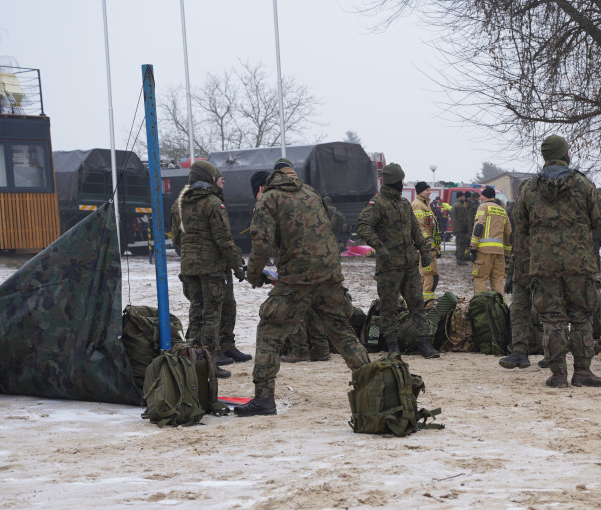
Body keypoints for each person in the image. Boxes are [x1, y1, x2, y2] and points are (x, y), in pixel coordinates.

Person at [235, 158, 370, 416]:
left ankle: (264, 399)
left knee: (269, 332)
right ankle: (374, 385)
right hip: (330, 276)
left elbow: (261, 245)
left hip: (296, 280)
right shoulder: (310, 192)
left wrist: (253, 275)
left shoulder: (269, 199)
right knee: (342, 333)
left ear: (262, 188)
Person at [511, 134, 601, 388]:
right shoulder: (582, 184)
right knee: (581, 317)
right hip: (579, 263)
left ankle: (558, 375)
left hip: (544, 265)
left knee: (552, 320)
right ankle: (582, 372)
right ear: (566, 155)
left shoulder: (529, 188)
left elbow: (519, 223)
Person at [169, 159, 245, 380]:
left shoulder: (179, 204)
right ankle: (209, 363)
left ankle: (189, 358)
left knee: (196, 312)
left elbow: (176, 238)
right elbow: (224, 240)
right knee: (212, 314)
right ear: (209, 179)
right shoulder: (212, 203)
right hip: (211, 267)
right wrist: (238, 267)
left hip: (189, 266)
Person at [356, 163, 440, 358]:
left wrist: (424, 251)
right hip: (389, 267)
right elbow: (363, 226)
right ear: (395, 181)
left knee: (417, 304)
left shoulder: (404, 203)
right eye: (401, 180)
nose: (403, 183)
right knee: (389, 307)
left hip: (410, 264)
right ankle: (393, 345)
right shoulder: (378, 203)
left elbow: (415, 231)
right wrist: (380, 247)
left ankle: (424, 344)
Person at [470, 186, 512, 294]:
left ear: (485, 196)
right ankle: (500, 308)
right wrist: (507, 253)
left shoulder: (483, 207)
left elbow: (479, 226)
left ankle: (481, 308)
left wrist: (473, 248)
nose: (480, 197)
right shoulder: (502, 210)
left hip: (484, 251)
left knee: (480, 279)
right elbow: (508, 233)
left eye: (482, 195)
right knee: (497, 280)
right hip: (499, 253)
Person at [411, 181, 441, 308]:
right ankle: (427, 307)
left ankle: (422, 305)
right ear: (420, 191)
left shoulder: (424, 205)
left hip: (428, 247)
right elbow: (420, 228)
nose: (430, 192)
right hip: (426, 247)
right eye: (427, 190)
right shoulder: (418, 206)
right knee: (430, 277)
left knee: (425, 277)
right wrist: (427, 245)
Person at [451, 192, 471, 263]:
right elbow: (462, 218)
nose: (464, 198)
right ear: (460, 197)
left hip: (456, 227)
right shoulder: (460, 206)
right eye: (463, 196)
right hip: (460, 228)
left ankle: (458, 257)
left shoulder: (455, 205)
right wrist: (465, 227)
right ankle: (460, 259)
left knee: (458, 243)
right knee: (461, 243)